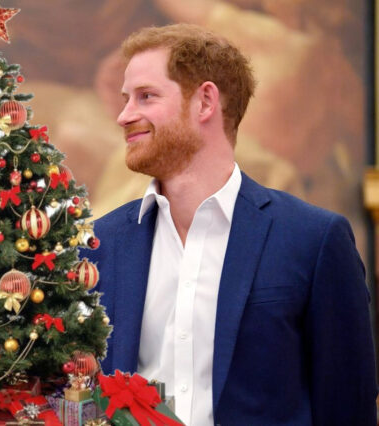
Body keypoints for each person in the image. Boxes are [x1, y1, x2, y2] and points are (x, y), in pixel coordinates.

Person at [84, 24, 377, 425]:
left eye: (146, 96)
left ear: (205, 102)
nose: (124, 116)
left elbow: (348, 409)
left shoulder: (314, 240)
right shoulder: (99, 244)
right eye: (125, 99)